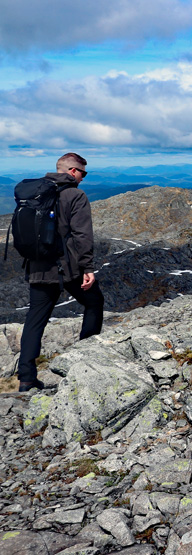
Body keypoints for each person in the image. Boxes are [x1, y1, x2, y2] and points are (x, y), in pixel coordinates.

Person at [18, 152, 104, 392]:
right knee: (94, 302)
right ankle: (86, 361)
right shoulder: (75, 195)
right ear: (72, 171)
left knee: (35, 320)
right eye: (83, 173)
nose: (83, 178)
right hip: (67, 268)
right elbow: (82, 235)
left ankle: (26, 379)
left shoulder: (34, 193)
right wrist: (87, 267)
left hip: (38, 267)